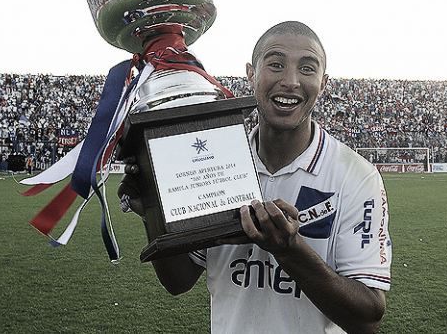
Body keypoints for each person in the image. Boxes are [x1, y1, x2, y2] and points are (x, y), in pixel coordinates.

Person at [119, 21, 392, 333]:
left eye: (307, 68)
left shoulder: (356, 176)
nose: (290, 81)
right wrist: (152, 212)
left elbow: (367, 317)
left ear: (323, 82)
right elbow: (178, 281)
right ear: (251, 73)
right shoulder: (215, 164)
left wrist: (289, 250)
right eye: (275, 64)